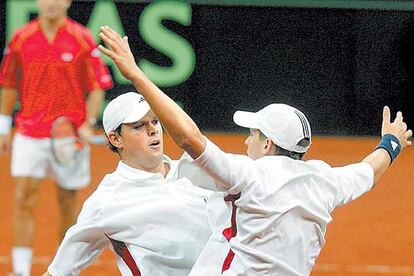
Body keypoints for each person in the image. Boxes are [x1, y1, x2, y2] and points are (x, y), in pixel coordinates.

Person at [98, 26, 413, 275]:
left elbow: (188, 138)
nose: (246, 142)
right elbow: (370, 170)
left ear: (268, 144)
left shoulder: (250, 175)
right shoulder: (324, 181)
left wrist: (137, 76)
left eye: (252, 134)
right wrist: (391, 142)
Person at [42, 92, 213, 276]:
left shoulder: (199, 171)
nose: (153, 130)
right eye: (139, 126)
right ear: (116, 139)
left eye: (155, 121)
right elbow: (58, 271)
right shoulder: (107, 202)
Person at [0, 1, 113, 275]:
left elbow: (97, 85)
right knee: (23, 199)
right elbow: (9, 83)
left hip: (69, 137)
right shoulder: (22, 38)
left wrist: (88, 123)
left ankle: (64, 270)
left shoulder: (82, 38)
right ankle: (21, 271)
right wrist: (4, 127)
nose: (51, 3)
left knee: (67, 204)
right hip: (29, 133)